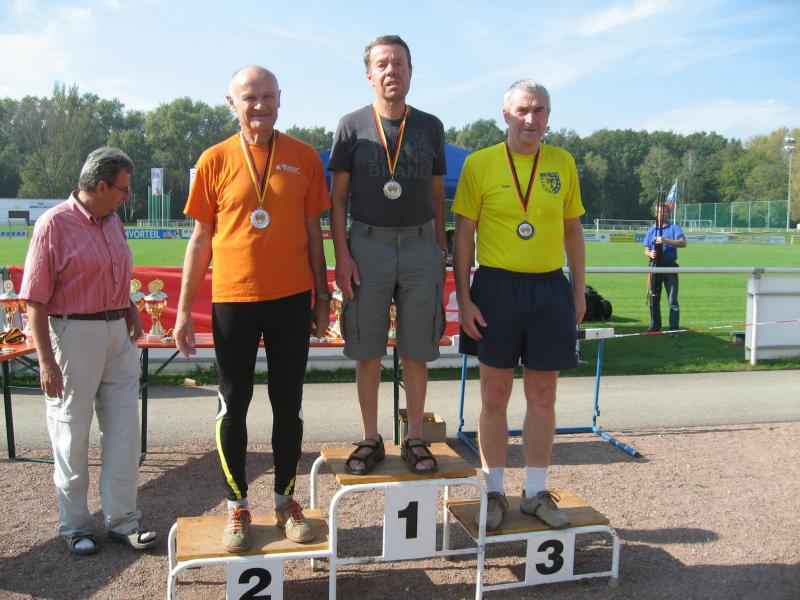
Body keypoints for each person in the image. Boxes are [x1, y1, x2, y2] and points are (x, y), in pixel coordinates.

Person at [174, 66, 330, 551]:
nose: (259, 105)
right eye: (249, 97)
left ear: (280, 99)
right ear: (232, 103)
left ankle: (285, 500)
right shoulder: (215, 159)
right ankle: (236, 506)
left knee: (288, 401)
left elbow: (314, 233)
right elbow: (200, 239)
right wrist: (182, 311)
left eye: (267, 96)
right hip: (233, 300)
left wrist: (323, 296)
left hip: (291, 300)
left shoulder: (303, 157)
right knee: (233, 402)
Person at [453, 80, 586, 531]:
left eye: (540, 110)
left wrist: (578, 290)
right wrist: (465, 298)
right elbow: (464, 236)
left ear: (549, 116)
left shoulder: (563, 162)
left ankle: (534, 492)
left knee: (543, 393)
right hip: (496, 288)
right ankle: (493, 491)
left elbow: (573, 231)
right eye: (524, 110)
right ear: (506, 114)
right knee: (494, 393)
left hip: (549, 289)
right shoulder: (480, 163)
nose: (532, 119)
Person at [19, 147, 156, 555]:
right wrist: (46, 360)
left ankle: (123, 520)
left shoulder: (113, 221)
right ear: (100, 186)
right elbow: (34, 300)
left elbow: (118, 273)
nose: (126, 197)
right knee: (71, 434)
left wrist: (129, 306)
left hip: (117, 333)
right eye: (122, 189)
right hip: (72, 333)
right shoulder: (53, 225)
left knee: (124, 431)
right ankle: (75, 525)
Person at [328, 35, 447, 476]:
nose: (391, 71)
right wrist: (343, 255)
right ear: (369, 74)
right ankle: (370, 437)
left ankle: (414, 436)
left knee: (417, 348)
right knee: (367, 349)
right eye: (382, 64)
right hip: (368, 243)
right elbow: (337, 198)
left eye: (398, 63)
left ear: (411, 72)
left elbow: (437, 194)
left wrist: (439, 248)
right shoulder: (351, 125)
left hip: (419, 244)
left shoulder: (430, 126)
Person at [644, 203, 686, 334]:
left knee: (672, 299)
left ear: (668, 213)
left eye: (664, 212)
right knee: (654, 298)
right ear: (656, 214)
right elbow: (646, 249)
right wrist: (650, 253)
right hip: (655, 267)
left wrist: (665, 240)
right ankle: (655, 326)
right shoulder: (651, 231)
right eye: (659, 212)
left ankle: (674, 328)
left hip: (670, 267)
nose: (662, 214)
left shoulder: (674, 228)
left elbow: (683, 243)